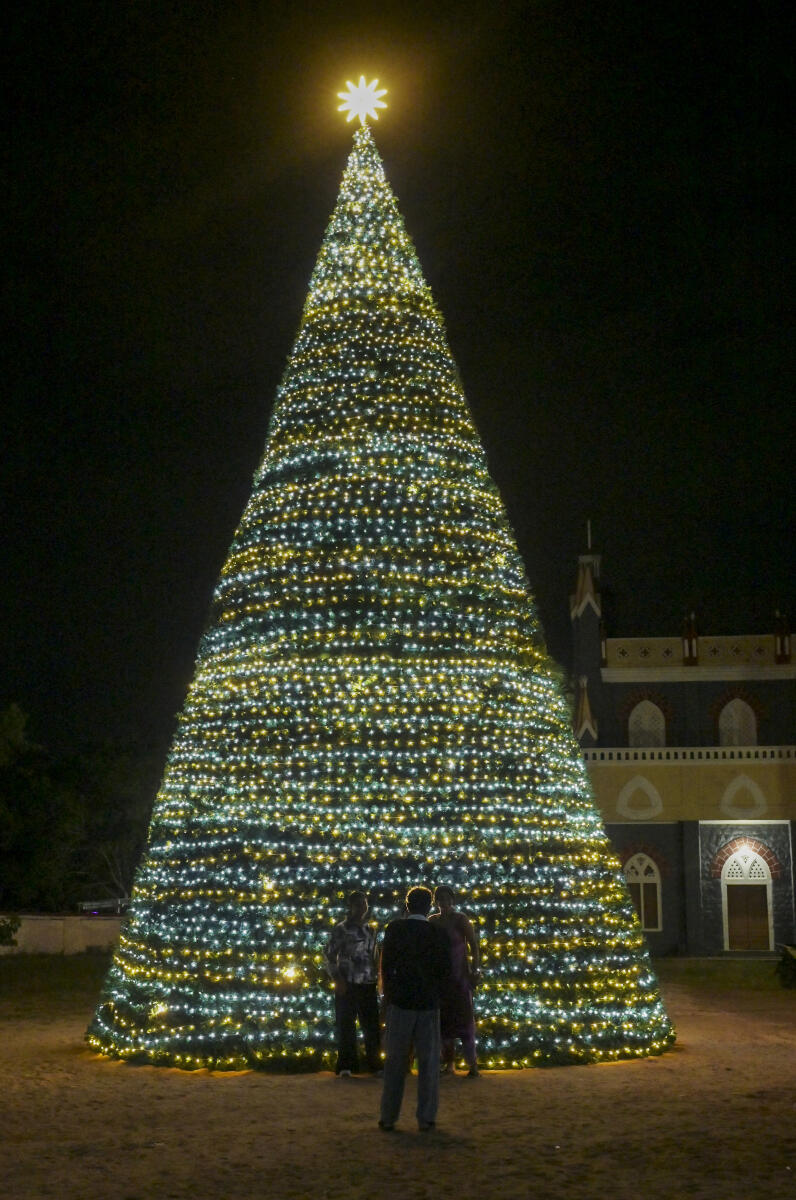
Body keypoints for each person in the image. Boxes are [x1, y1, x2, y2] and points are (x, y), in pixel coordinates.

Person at [378, 886, 450, 1132]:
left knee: (395, 1061)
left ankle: (388, 1116)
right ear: (429, 906)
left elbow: (386, 966)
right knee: (429, 1063)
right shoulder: (438, 933)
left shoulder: (395, 929)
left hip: (401, 1003)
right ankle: (426, 1117)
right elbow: (445, 971)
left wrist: (387, 997)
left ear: (408, 905)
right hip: (429, 1003)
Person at [324, 891, 381, 1076]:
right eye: (357, 905)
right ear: (350, 906)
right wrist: (337, 979)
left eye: (364, 904)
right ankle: (346, 1065)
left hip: (368, 983)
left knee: (371, 1025)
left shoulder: (370, 930)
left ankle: (375, 1065)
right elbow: (329, 955)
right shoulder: (341, 929)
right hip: (347, 982)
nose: (361, 908)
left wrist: (378, 978)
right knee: (346, 1023)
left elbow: (375, 956)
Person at [430, 885, 480, 1076]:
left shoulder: (460, 919)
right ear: (436, 902)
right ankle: (449, 1063)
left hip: (459, 978)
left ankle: (472, 1064)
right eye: (440, 899)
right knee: (443, 1022)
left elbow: (473, 946)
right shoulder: (432, 921)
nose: (444, 902)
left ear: (452, 900)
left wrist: (475, 970)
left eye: (447, 898)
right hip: (440, 980)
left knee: (465, 1020)